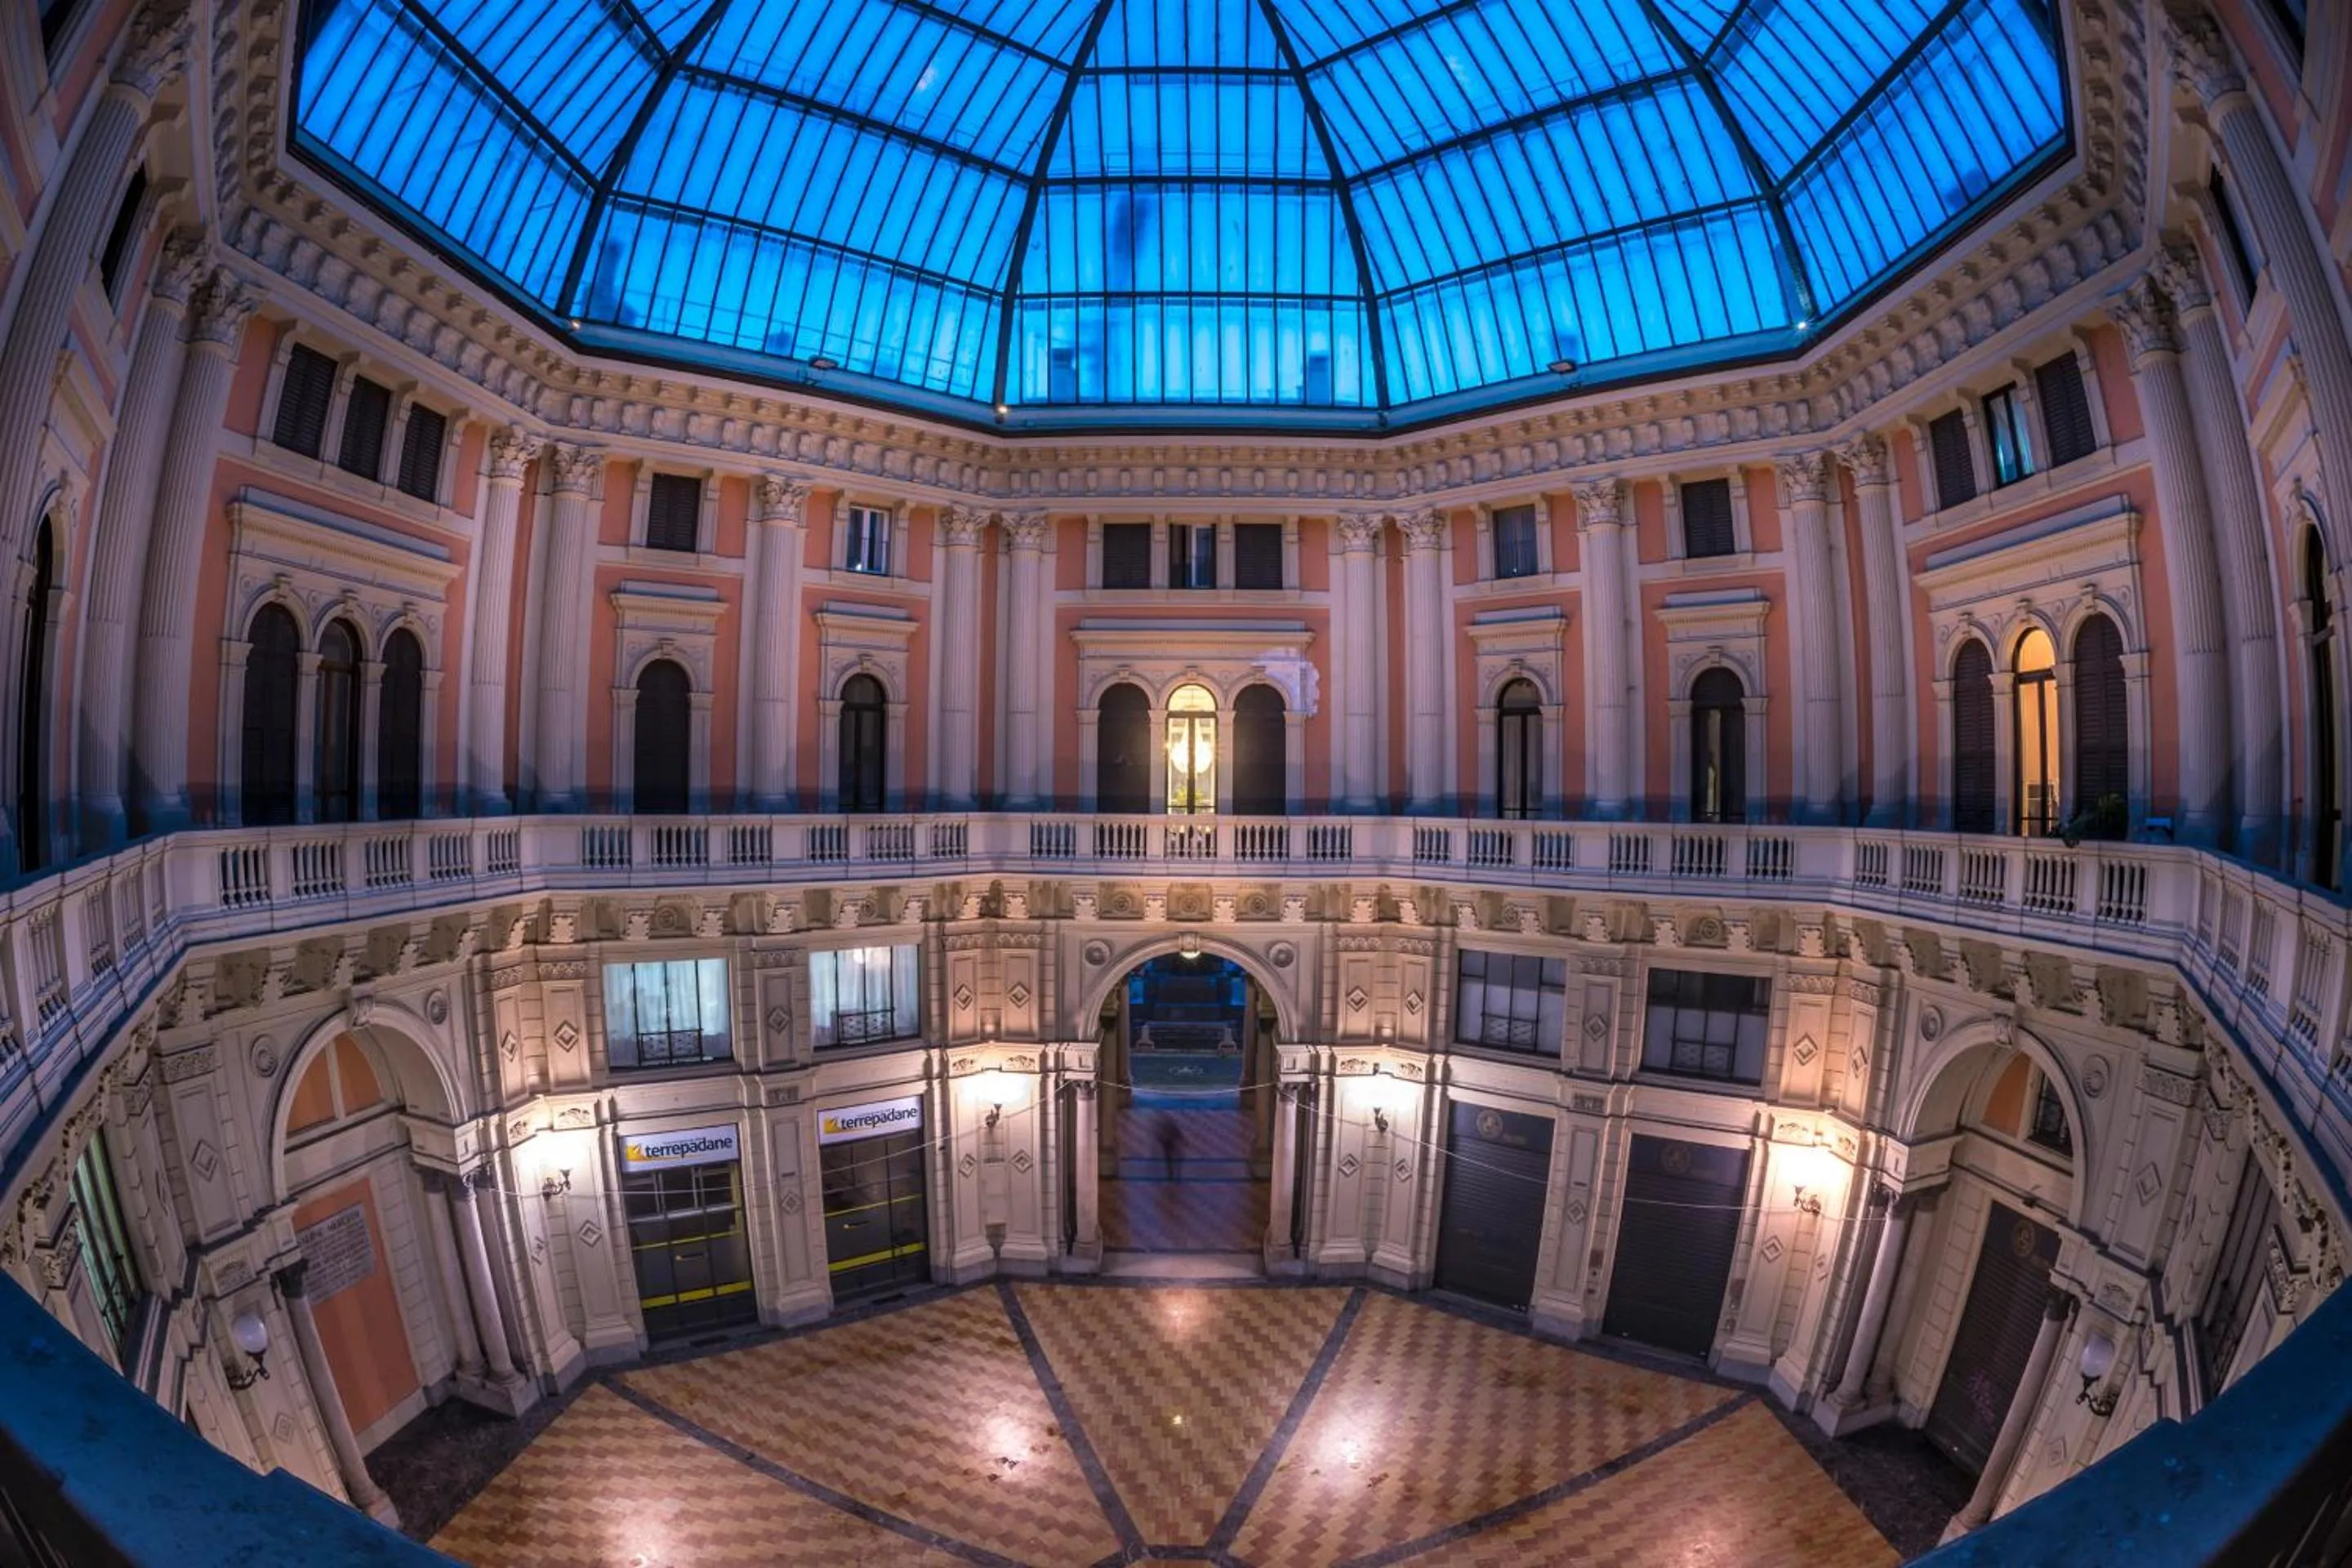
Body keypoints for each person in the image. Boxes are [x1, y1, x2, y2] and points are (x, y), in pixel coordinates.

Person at [1156, 1115, 1183, 1181]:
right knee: (1171, 1160)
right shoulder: (1171, 1128)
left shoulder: (1166, 1128)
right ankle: (1173, 1174)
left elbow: (1160, 1137)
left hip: (1169, 1145)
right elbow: (1179, 1135)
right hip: (1170, 1145)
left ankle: (1172, 1174)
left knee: (1170, 1160)